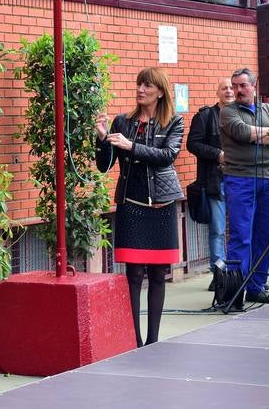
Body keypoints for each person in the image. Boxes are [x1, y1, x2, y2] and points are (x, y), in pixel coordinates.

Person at [96, 67, 184, 347]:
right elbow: (104, 165)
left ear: (160, 91)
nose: (140, 90)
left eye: (146, 86)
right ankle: (134, 341)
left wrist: (131, 146)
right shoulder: (123, 122)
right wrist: (101, 139)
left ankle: (153, 341)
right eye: (138, 85)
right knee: (133, 274)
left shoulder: (174, 122)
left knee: (158, 274)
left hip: (162, 203)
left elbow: (167, 156)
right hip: (131, 204)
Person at [219, 67, 269, 304]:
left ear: (254, 86)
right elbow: (243, 133)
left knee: (265, 236)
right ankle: (235, 292)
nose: (237, 90)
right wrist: (265, 134)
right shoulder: (227, 112)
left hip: (268, 179)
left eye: (243, 85)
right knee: (241, 236)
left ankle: (256, 286)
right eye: (234, 86)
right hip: (239, 178)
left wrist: (260, 134)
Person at [186, 78, 234, 290]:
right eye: (225, 88)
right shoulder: (205, 116)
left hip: (240, 181)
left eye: (232, 88)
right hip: (216, 182)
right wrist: (218, 154)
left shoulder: (243, 114)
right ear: (217, 92)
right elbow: (192, 144)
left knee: (240, 230)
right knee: (218, 230)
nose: (230, 91)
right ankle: (219, 274)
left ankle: (237, 273)